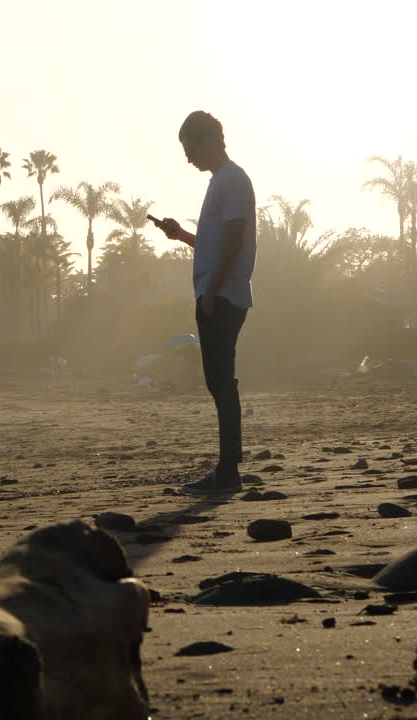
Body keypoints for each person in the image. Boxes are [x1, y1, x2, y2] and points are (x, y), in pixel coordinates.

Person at [154, 111, 257, 495]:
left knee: (221, 382)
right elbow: (216, 244)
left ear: (209, 139)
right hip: (219, 292)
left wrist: (212, 291)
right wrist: (181, 235)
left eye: (190, 147)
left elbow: (234, 242)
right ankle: (228, 468)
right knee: (219, 382)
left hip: (223, 296)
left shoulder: (232, 179)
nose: (188, 157)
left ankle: (228, 472)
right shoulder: (222, 182)